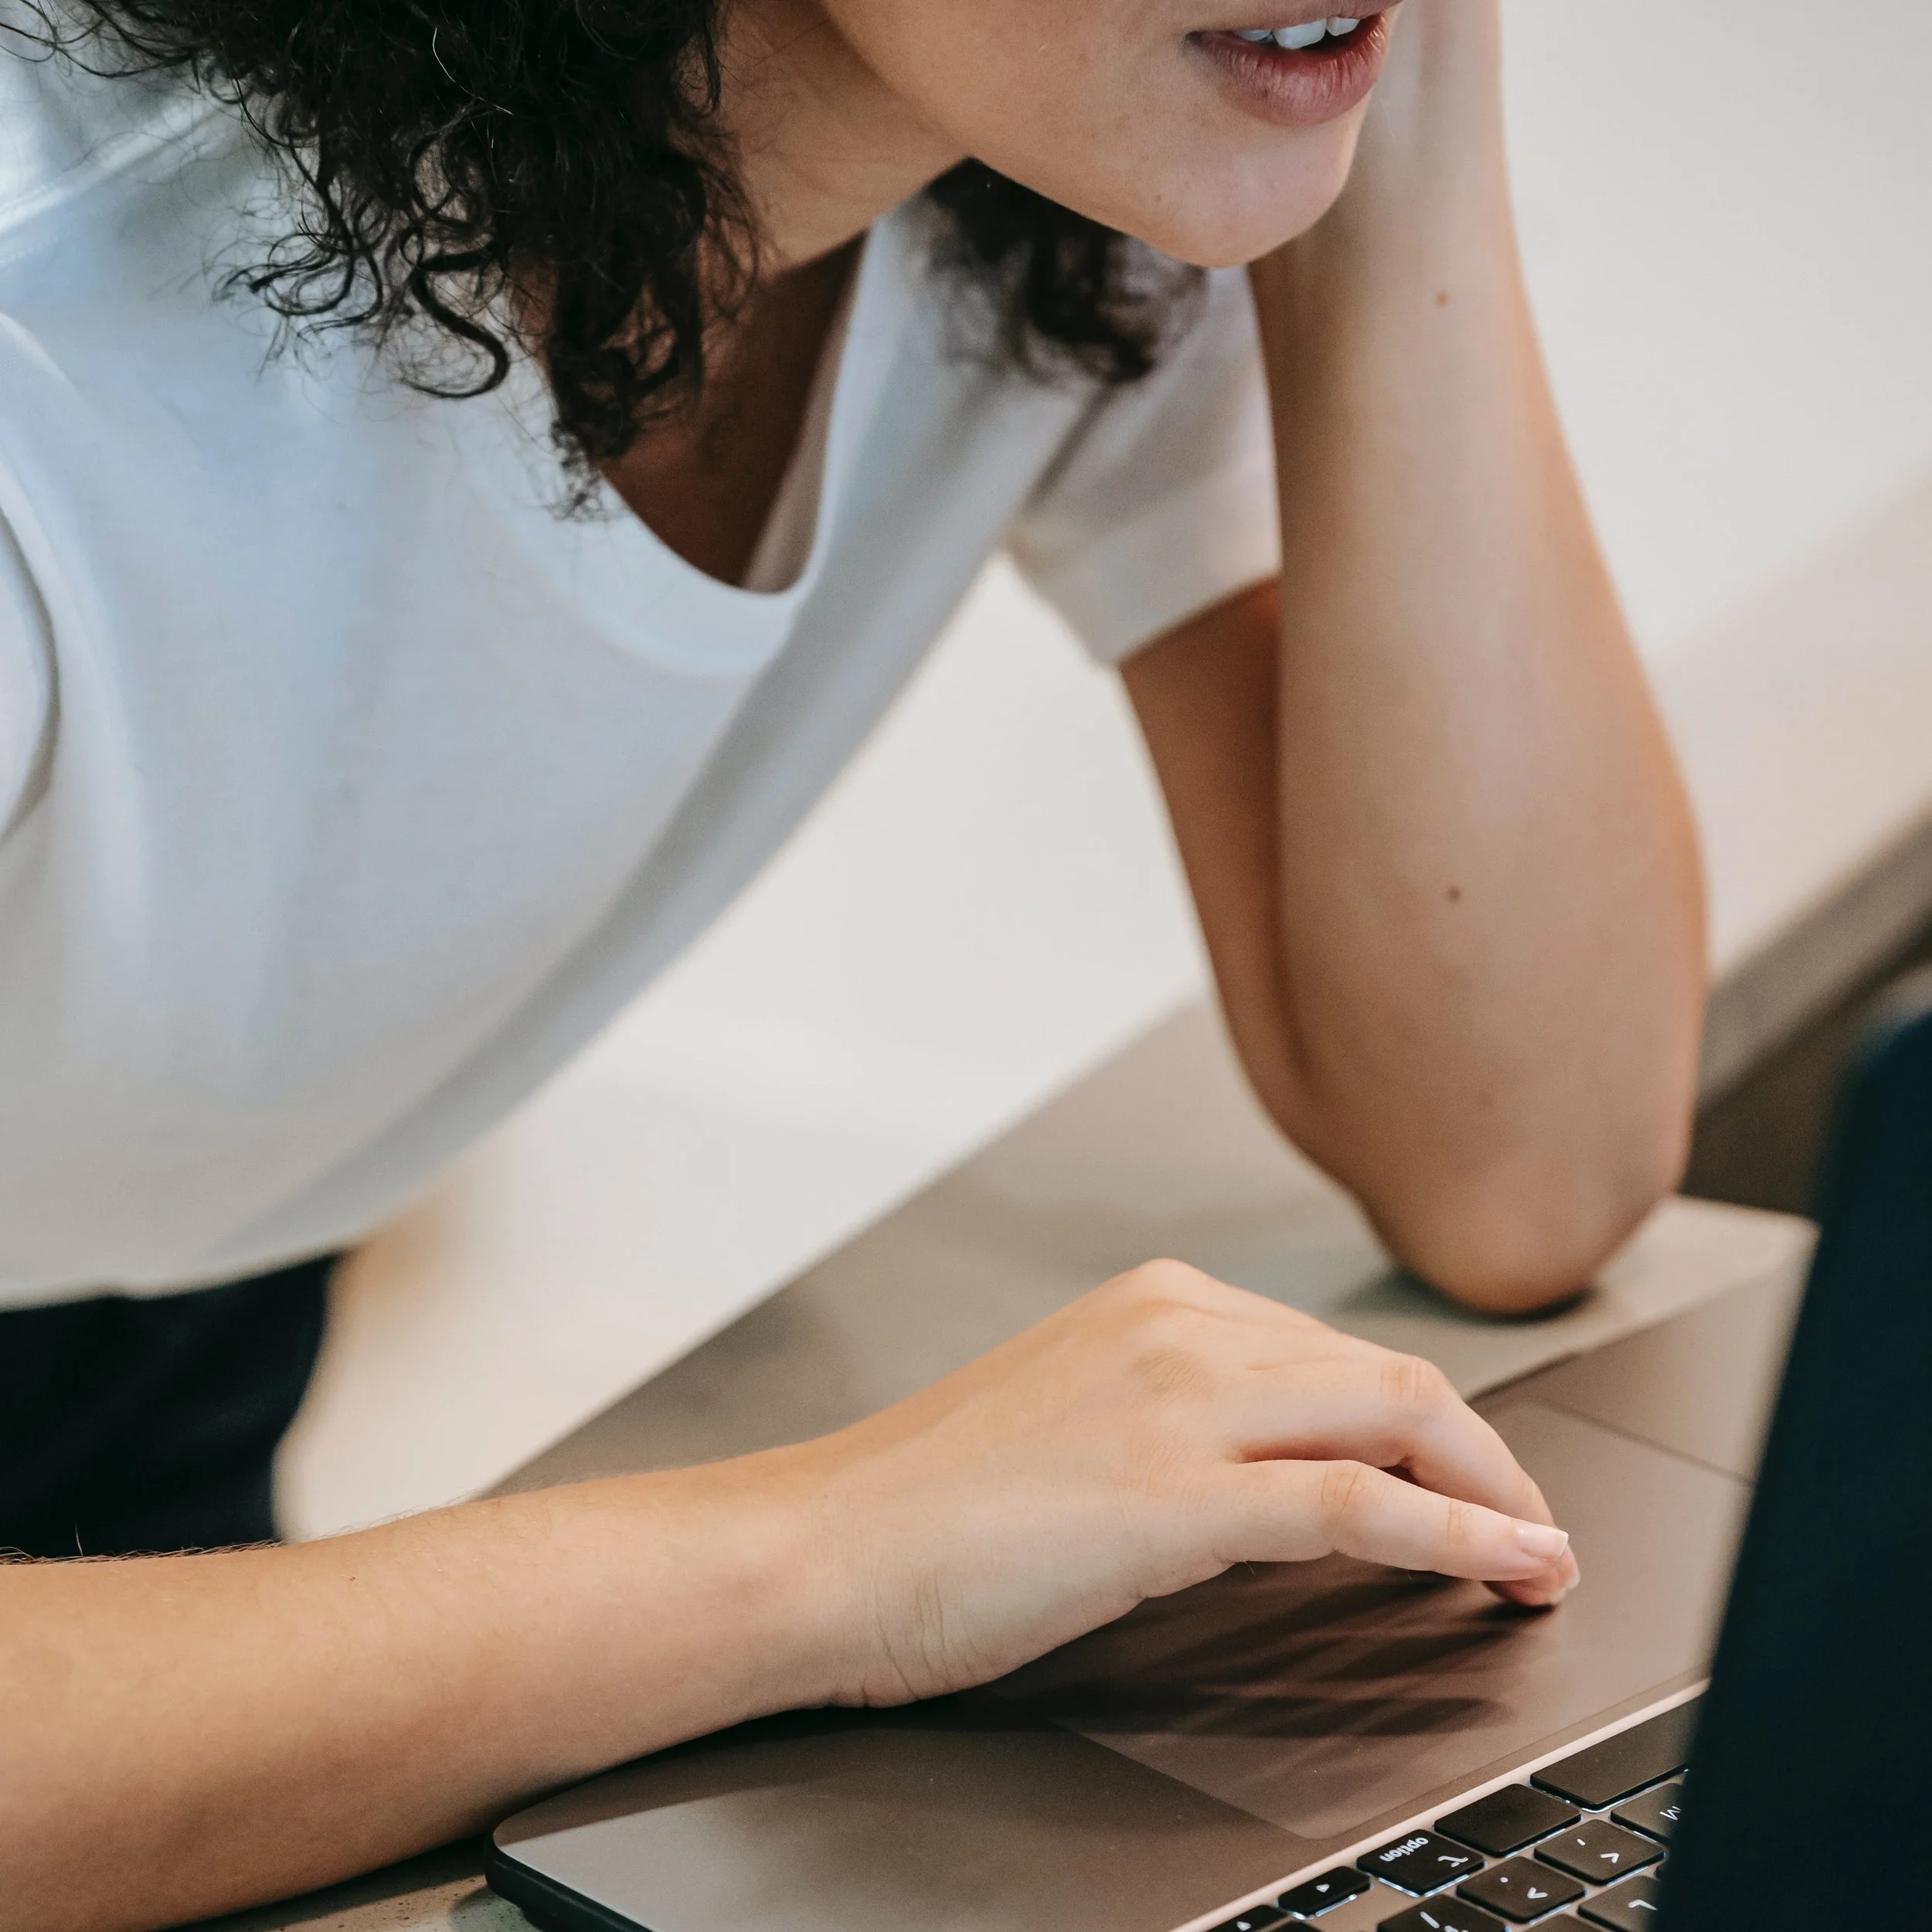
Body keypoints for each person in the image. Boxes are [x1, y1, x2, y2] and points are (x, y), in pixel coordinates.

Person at [0, 0, 1706, 1923]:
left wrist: (1394, 122)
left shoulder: (1054, 150)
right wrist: (837, 1548)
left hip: (155, 1374)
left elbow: (1519, 1157)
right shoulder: (46, 324)